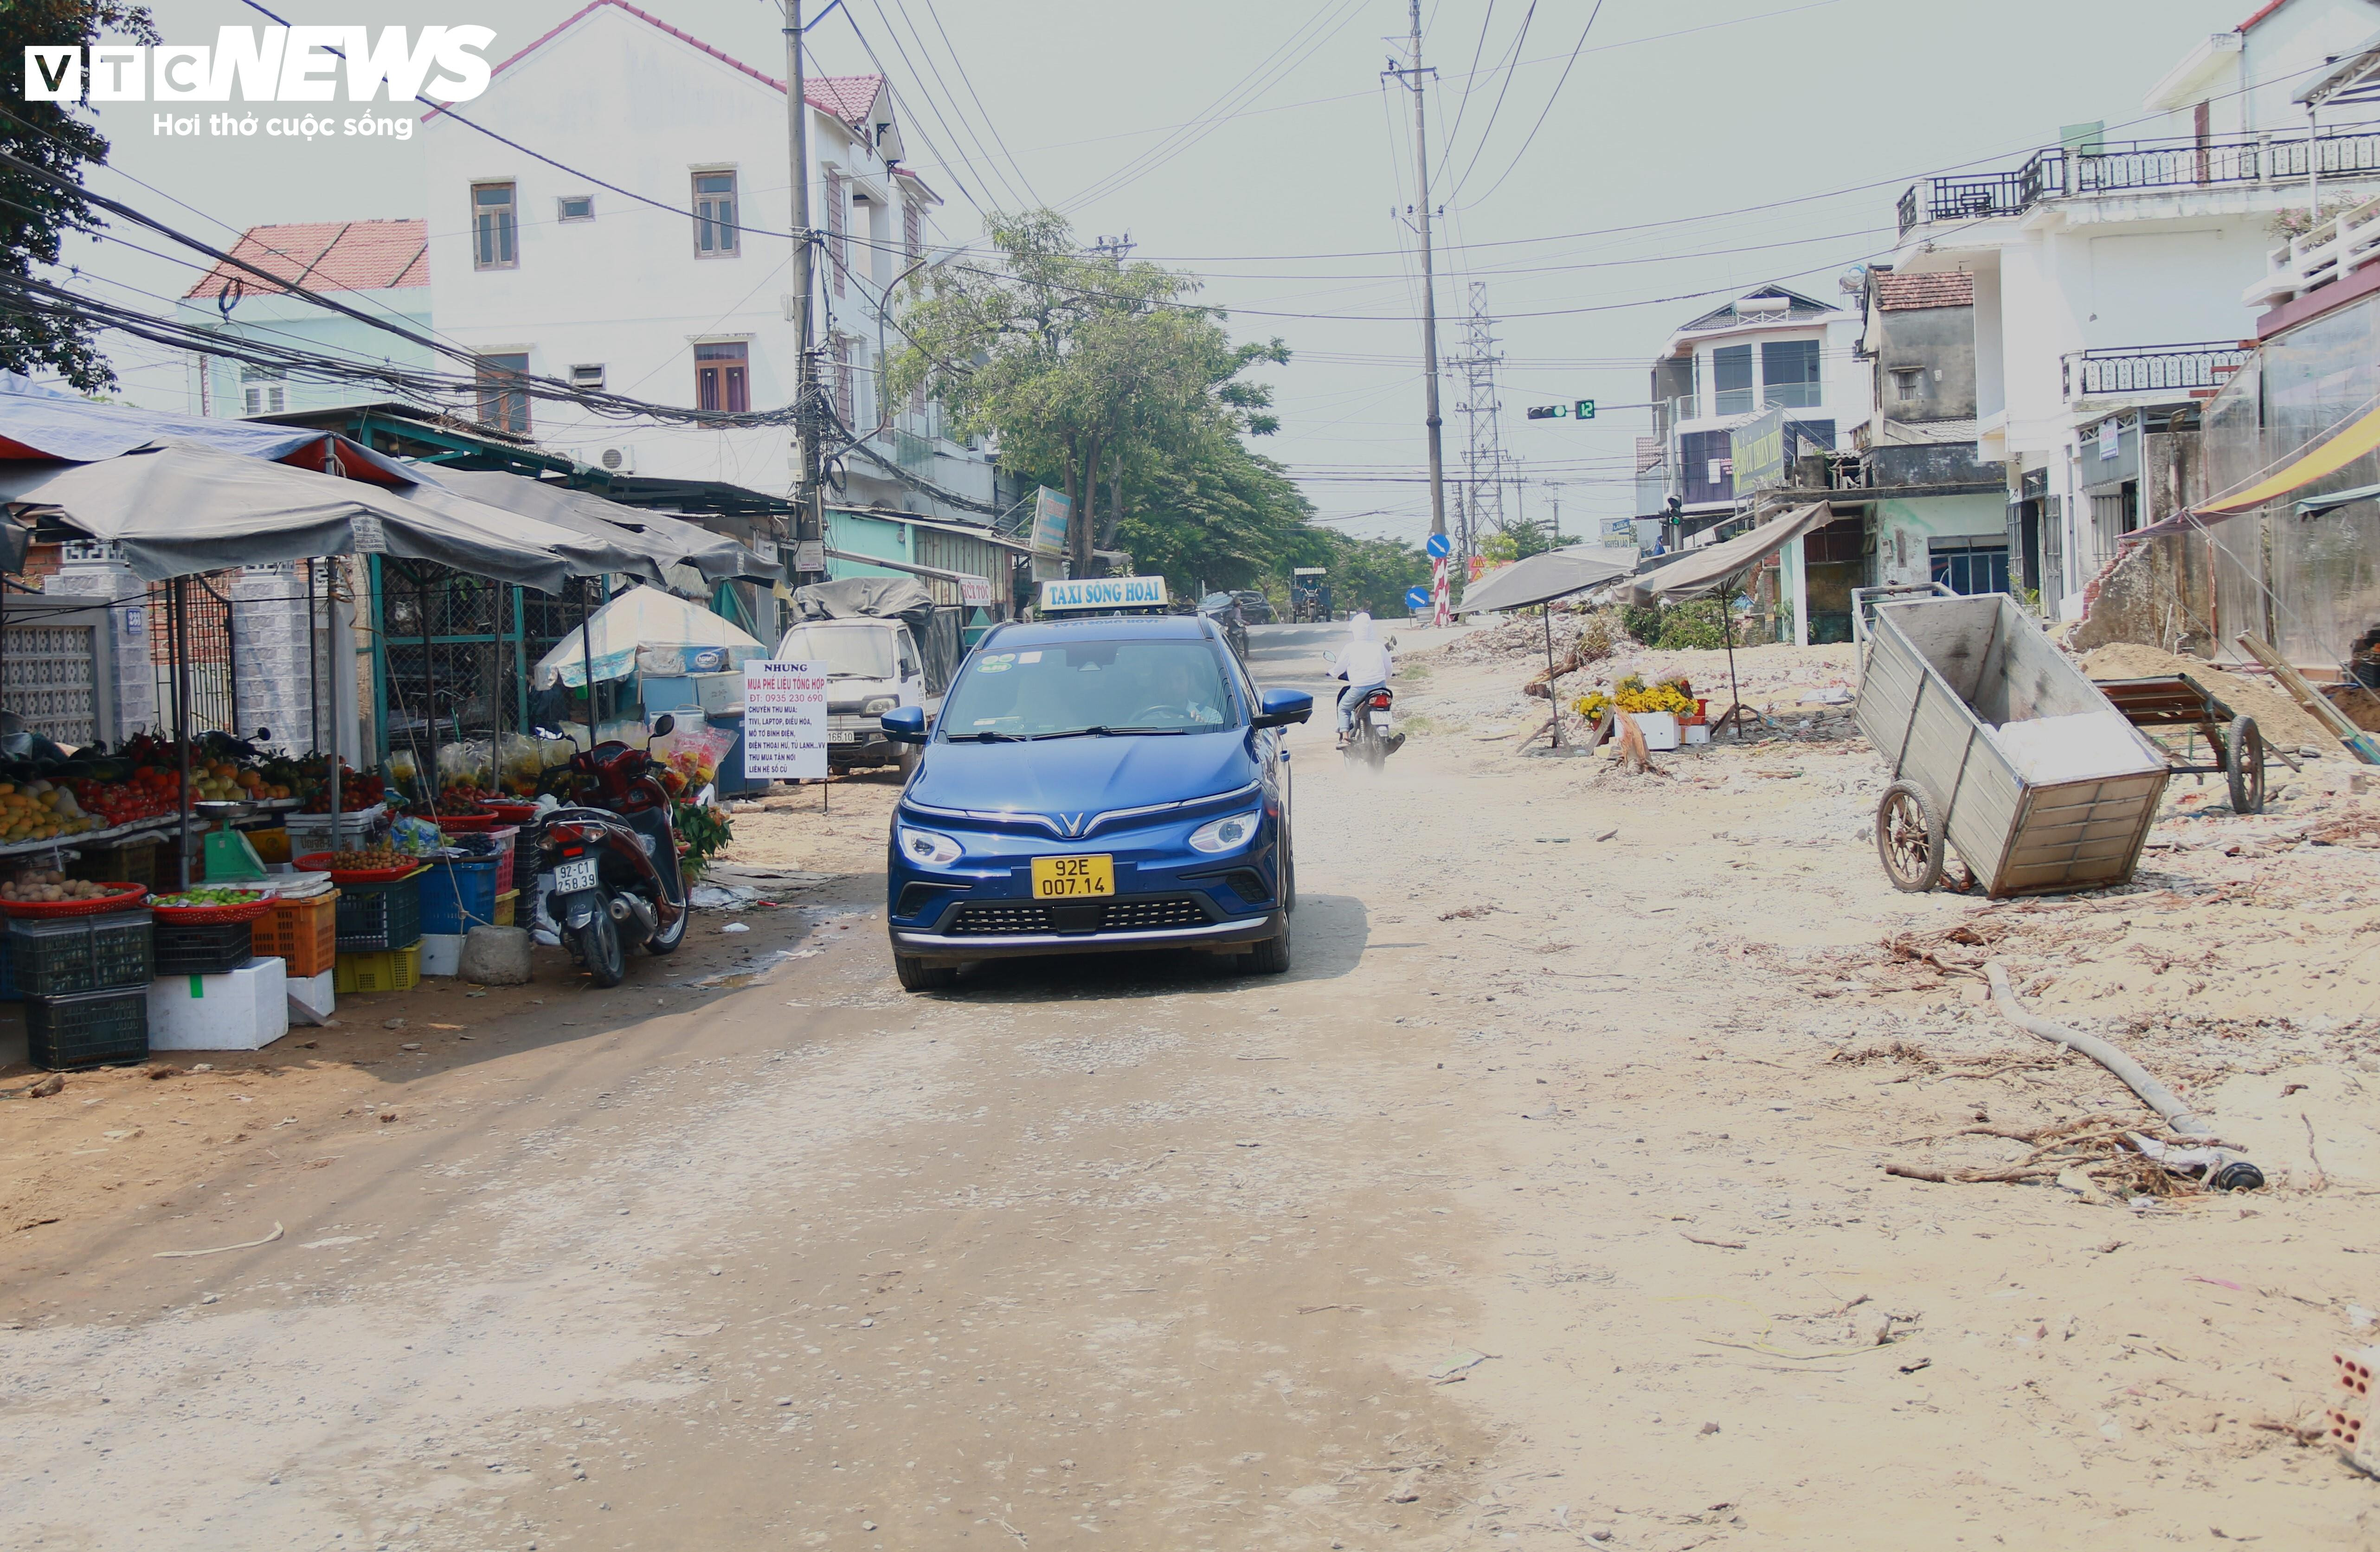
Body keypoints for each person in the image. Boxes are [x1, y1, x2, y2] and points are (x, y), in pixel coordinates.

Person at [1332, 612, 1394, 745]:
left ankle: (1345, 738)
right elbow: (1389, 669)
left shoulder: (1350, 648)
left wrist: (1331, 673)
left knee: (1343, 708)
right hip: (1381, 688)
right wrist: (1385, 680)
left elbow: (1339, 669)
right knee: (1386, 706)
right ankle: (1386, 730)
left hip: (1359, 688)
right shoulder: (1380, 647)